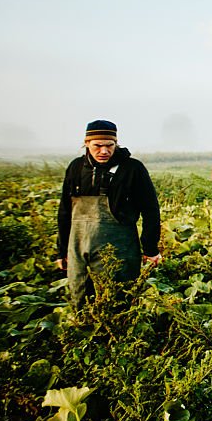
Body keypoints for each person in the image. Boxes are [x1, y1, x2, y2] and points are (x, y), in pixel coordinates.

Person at [56, 120, 162, 309]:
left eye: (109, 145)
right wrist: (62, 250)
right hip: (78, 246)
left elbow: (150, 209)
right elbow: (65, 211)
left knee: (119, 299)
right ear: (86, 143)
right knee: (81, 296)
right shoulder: (76, 168)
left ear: (116, 144)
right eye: (98, 146)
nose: (104, 151)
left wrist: (150, 248)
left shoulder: (132, 169)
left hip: (120, 247)